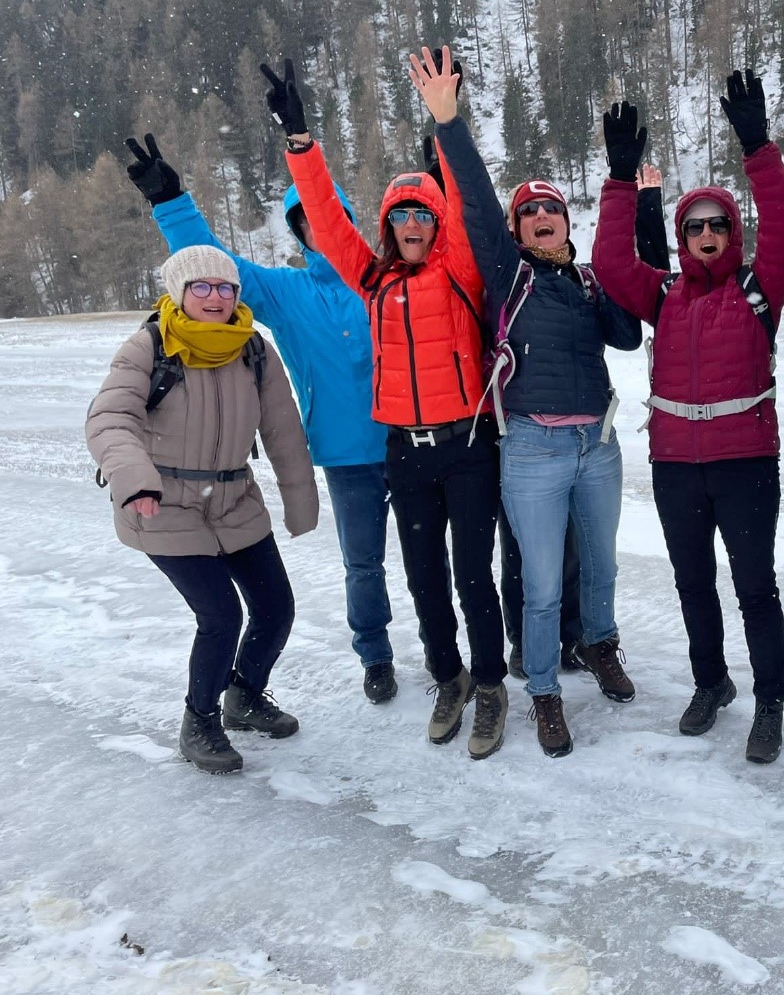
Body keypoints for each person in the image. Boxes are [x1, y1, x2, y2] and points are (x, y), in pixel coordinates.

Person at [263, 57, 509, 759]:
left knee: (472, 577)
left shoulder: (459, 270)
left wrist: (446, 120)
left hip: (466, 446)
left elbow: (469, 196)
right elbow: (327, 221)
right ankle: (449, 678)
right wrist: (301, 143)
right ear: (387, 223)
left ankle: (491, 687)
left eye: (421, 212)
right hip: (405, 450)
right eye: (399, 213)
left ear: (436, 221)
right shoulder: (371, 280)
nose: (410, 222)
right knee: (424, 578)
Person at [415, 47, 644, 758]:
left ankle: (599, 643)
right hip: (533, 449)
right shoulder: (507, 275)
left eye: (553, 209)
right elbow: (477, 203)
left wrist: (610, 266)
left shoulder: (586, 280)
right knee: (541, 584)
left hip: (597, 444)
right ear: (515, 230)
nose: (542, 215)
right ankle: (544, 690)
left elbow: (628, 336)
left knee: (601, 566)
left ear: (566, 223)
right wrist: (449, 123)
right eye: (530, 211)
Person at [123, 134, 397, 705]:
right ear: (297, 232)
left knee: (435, 561)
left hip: (413, 440)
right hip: (348, 453)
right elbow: (213, 265)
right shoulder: (285, 291)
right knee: (364, 565)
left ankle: (449, 656)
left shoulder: (384, 280)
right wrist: (171, 202)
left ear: (347, 220)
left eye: (327, 217)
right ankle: (375, 655)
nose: (318, 229)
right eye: (305, 222)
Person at [592, 72, 784, 764]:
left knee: (754, 587)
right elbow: (610, 263)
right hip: (677, 466)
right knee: (692, 584)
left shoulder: (759, 287)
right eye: (694, 226)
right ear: (682, 237)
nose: (707, 233)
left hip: (745, 463)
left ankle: (770, 700)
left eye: (717, 224)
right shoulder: (665, 295)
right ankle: (712, 682)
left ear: (731, 232)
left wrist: (757, 146)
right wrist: (620, 180)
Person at [86, 245, 318, 774]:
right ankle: (201, 719)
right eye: (202, 287)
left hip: (234, 500)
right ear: (180, 292)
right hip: (162, 505)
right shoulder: (150, 346)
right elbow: (109, 420)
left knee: (276, 607)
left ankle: (246, 696)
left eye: (226, 288)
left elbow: (283, 431)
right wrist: (135, 480)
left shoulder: (254, 350)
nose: (215, 297)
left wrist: (300, 502)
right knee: (220, 615)